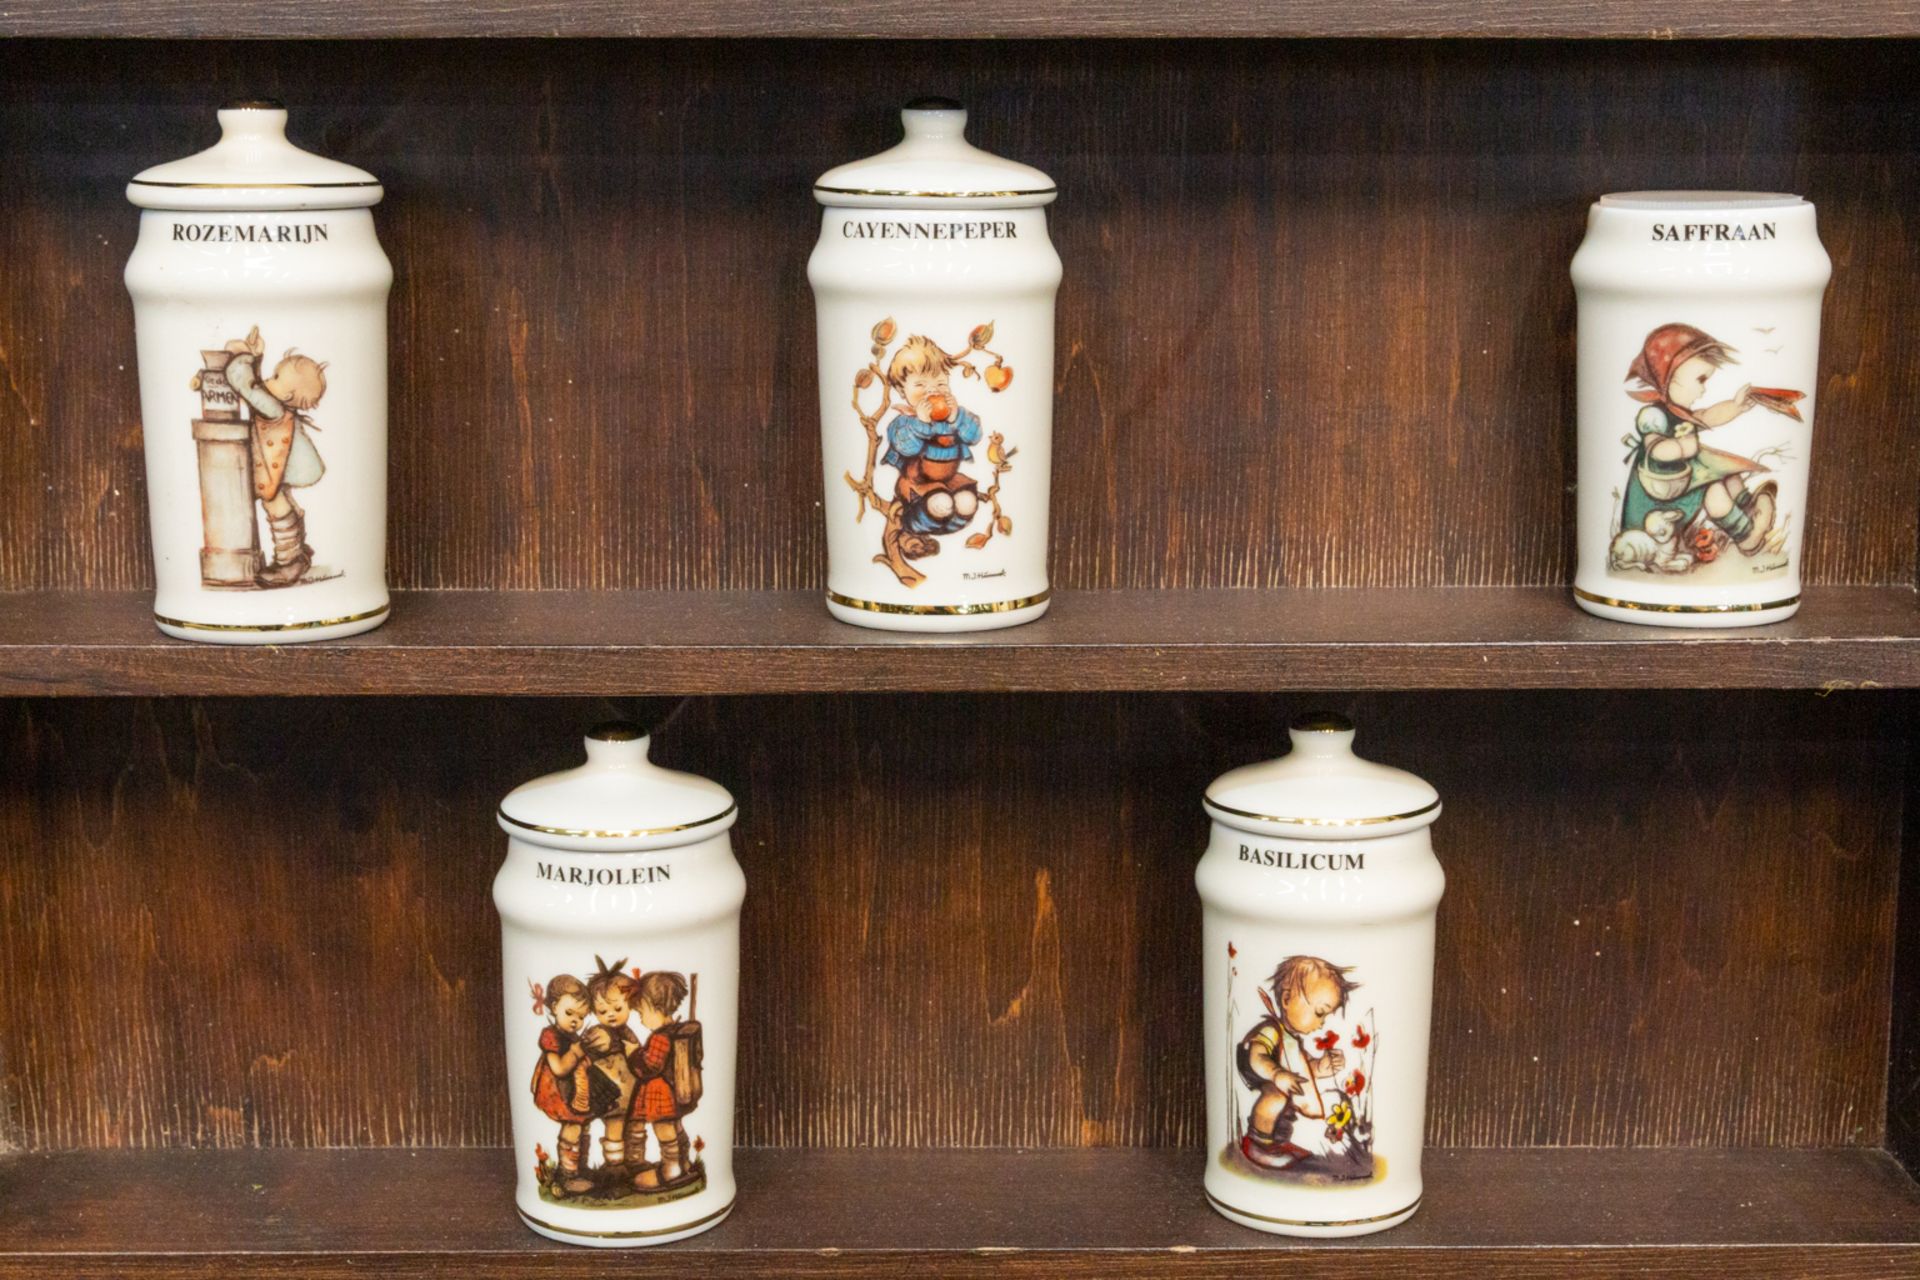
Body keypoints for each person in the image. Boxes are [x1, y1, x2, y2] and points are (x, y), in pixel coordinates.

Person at [1619, 323, 1779, 558]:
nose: (1703, 390)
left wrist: (1736, 406)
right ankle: (1747, 536)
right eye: (1700, 379)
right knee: (1714, 490)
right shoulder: (1654, 415)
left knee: (1726, 472)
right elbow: (1656, 450)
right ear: (1669, 377)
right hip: (1658, 498)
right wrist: (1683, 446)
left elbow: (1705, 417)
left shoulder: (1679, 411)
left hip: (1680, 483)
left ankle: (1748, 508)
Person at [221, 326, 328, 587]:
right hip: (282, 466)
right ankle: (298, 553)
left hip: (277, 468)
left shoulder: (273, 407)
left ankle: (289, 562)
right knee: (283, 500)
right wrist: (257, 356)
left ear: (289, 395)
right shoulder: (277, 403)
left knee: (275, 505)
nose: (270, 378)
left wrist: (243, 357)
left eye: (276, 376)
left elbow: (243, 384)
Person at [1237, 956, 1356, 1170]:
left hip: (1278, 1073)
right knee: (1276, 1096)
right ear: (1286, 999)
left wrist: (1320, 1067)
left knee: (1287, 1102)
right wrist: (1276, 1074)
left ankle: (1278, 1142)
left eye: (1325, 1016)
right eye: (1319, 1012)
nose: (1321, 1023)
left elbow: (1300, 1065)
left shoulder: (1292, 1040)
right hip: (1257, 1069)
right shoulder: (1271, 1030)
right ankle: (1258, 1144)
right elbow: (1257, 1055)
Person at [882, 335, 983, 552]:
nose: (932, 391)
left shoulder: (954, 417)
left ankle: (952, 524)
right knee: (938, 502)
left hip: (948, 478)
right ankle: (917, 524)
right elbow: (905, 447)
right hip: (918, 480)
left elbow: (975, 435)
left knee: (967, 501)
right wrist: (921, 423)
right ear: (902, 391)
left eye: (940, 383)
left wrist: (957, 416)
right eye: (920, 384)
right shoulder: (905, 422)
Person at [530, 975, 601, 1197]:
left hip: (576, 1090)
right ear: (554, 1007)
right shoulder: (550, 1035)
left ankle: (580, 1168)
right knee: (573, 1126)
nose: (575, 1021)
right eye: (569, 1013)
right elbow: (559, 1068)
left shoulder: (572, 1035)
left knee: (583, 1126)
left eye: (580, 1017)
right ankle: (568, 1175)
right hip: (558, 1091)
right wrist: (576, 1053)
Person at [629, 970, 696, 1191]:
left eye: (641, 1012)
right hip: (672, 1090)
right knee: (675, 1126)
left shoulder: (660, 1037)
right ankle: (683, 1162)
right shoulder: (676, 1030)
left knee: (664, 1129)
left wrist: (633, 1053)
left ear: (655, 1007)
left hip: (660, 1094)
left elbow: (650, 1066)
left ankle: (671, 1171)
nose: (640, 1018)